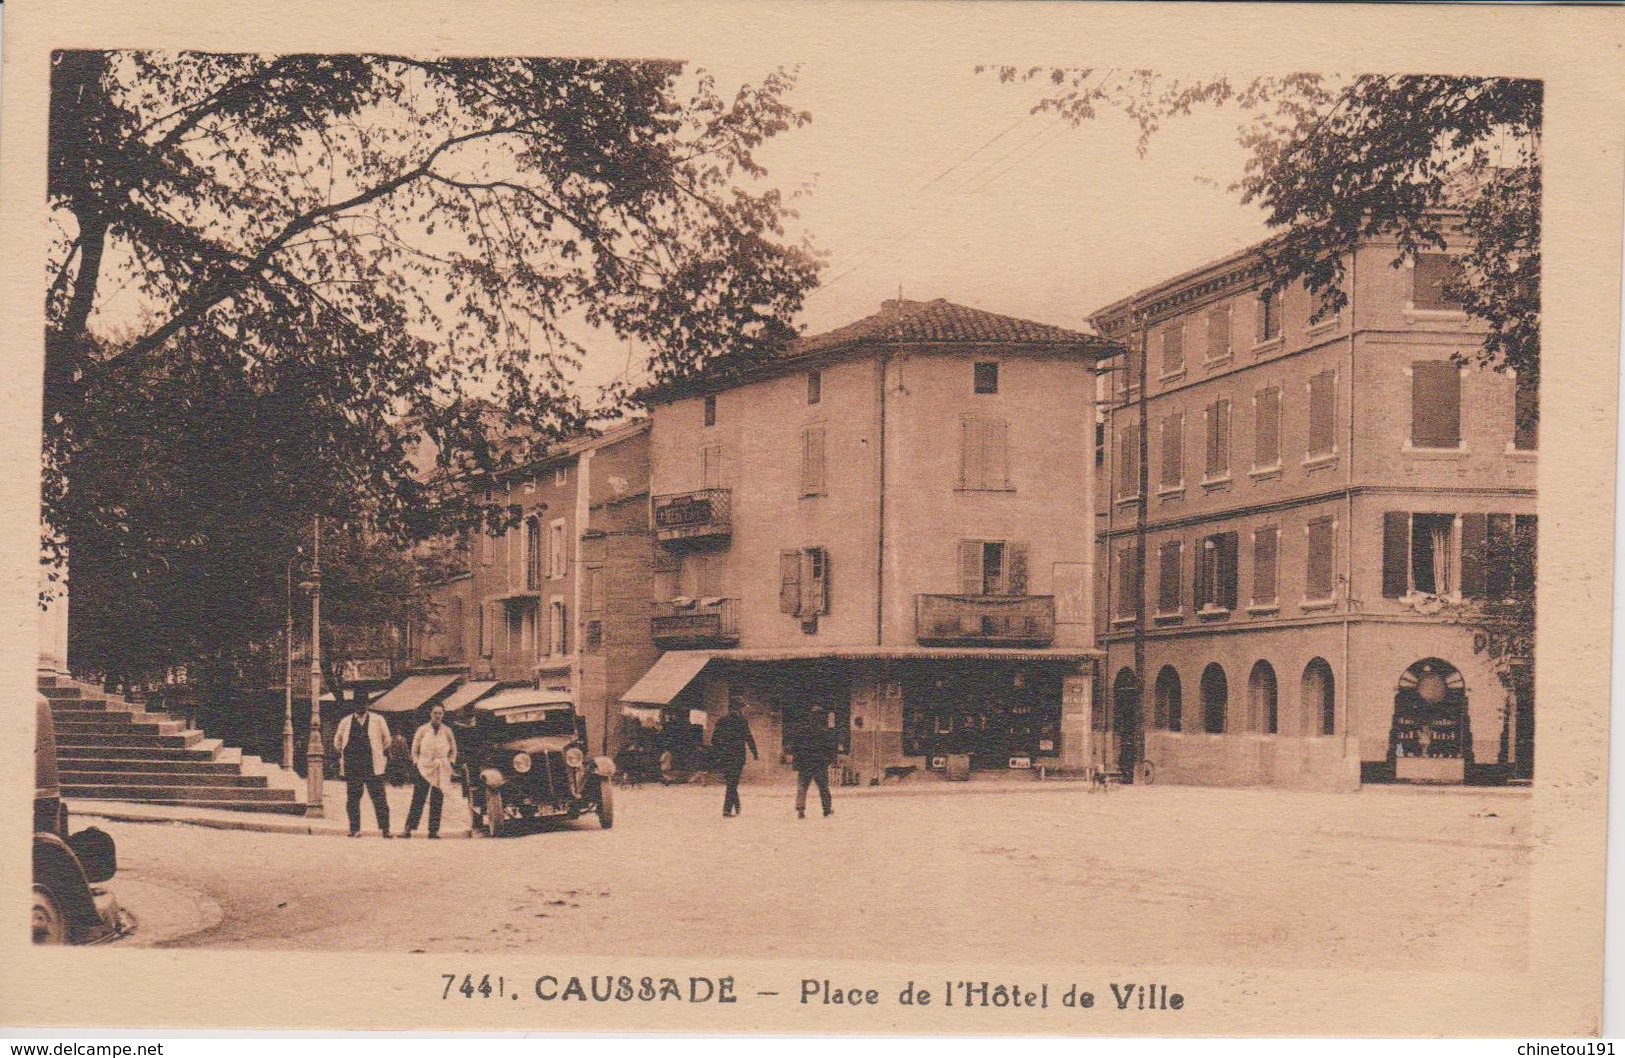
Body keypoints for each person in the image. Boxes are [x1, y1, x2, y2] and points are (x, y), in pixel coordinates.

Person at [333, 693, 392, 837]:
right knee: (353, 799)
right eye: (358, 703)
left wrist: (377, 752)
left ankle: (385, 829)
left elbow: (387, 740)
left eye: (364, 703)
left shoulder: (378, 720)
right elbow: (338, 741)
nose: (361, 706)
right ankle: (355, 829)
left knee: (379, 799)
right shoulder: (346, 722)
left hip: (371, 765)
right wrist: (345, 754)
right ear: (354, 704)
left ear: (368, 704)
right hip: (353, 766)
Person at [402, 703, 458, 838]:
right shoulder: (422, 730)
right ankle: (408, 829)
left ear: (443, 714)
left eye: (440, 713)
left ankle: (433, 831)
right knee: (418, 798)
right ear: (430, 714)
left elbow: (453, 749)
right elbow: (414, 749)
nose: (437, 716)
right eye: (435, 713)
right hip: (424, 768)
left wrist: (450, 761)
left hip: (441, 768)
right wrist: (416, 762)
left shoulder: (447, 731)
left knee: (437, 799)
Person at [711, 700, 759, 817]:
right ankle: (727, 810)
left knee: (730, 782)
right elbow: (749, 737)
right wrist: (754, 752)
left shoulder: (721, 720)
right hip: (737, 756)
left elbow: (714, 739)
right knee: (732, 783)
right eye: (742, 708)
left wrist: (719, 751)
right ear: (738, 708)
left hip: (724, 756)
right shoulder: (741, 721)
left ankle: (735, 804)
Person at [788, 705, 835, 819]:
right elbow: (829, 748)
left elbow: (795, 746)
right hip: (819, 763)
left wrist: (796, 761)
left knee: (802, 786)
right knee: (823, 787)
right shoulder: (824, 731)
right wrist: (830, 760)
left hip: (805, 763)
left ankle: (800, 808)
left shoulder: (802, 730)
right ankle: (827, 810)